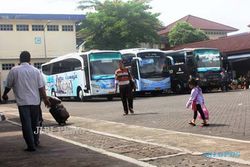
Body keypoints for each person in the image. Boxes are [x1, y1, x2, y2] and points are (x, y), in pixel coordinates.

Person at [2, 51, 50, 152]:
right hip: (35, 102)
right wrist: (45, 99)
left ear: (20, 59)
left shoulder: (14, 70)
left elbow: (8, 85)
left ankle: (31, 145)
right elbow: (41, 87)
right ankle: (36, 141)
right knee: (35, 123)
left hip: (23, 102)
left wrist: (5, 94)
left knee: (26, 124)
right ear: (30, 59)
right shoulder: (36, 71)